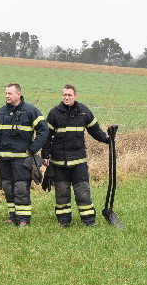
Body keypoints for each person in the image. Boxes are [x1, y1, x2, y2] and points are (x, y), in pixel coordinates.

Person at [42, 84, 110, 227]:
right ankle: (64, 221)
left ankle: (89, 221)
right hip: (59, 163)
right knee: (61, 193)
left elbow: (95, 131)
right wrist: (45, 153)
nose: (66, 97)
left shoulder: (84, 112)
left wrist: (108, 140)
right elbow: (46, 136)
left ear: (75, 96)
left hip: (79, 161)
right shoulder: (54, 113)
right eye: (64, 95)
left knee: (82, 192)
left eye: (69, 95)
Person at [0, 83, 48, 226]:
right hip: (4, 158)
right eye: (6, 93)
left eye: (9, 93)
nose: (6, 96)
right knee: (8, 188)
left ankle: (24, 219)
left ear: (18, 94)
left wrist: (32, 149)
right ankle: (13, 216)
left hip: (22, 159)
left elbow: (44, 131)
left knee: (21, 188)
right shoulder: (2, 111)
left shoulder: (31, 111)